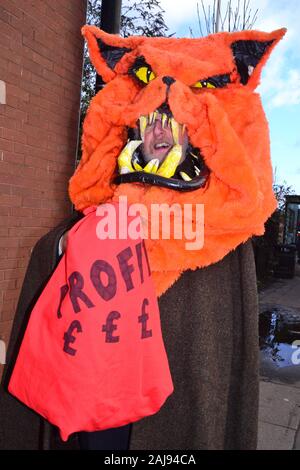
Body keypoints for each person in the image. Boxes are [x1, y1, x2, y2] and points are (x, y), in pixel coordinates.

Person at [0, 25, 286, 450]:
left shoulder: (226, 241)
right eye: (152, 123)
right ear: (135, 129)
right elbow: (50, 268)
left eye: (173, 125)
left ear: (194, 136)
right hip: (92, 415)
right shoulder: (95, 217)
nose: (160, 134)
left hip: (174, 421)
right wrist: (66, 248)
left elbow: (227, 363)